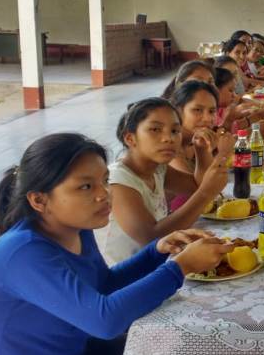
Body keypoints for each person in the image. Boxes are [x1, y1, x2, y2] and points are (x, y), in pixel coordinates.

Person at [0, 133, 232, 355]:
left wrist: (157, 252)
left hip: (66, 349)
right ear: (39, 200)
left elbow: (103, 284)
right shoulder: (22, 254)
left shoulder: (76, 228)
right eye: (85, 187)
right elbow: (105, 321)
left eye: (104, 180)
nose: (104, 194)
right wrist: (180, 267)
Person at [96, 98, 233, 265]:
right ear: (130, 139)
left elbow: (194, 187)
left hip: (154, 265)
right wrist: (206, 192)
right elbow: (150, 237)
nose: (168, 138)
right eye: (155, 129)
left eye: (175, 131)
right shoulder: (118, 181)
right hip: (124, 278)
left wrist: (202, 151)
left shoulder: (158, 167)